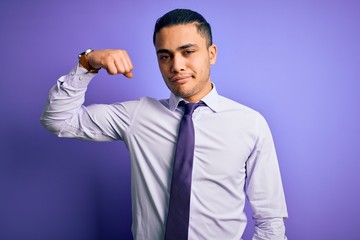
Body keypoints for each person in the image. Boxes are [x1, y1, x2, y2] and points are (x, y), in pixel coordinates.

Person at [41, 8, 288, 240]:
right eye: (165, 56)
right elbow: (59, 120)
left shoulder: (250, 123)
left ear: (211, 53)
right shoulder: (137, 115)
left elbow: (270, 219)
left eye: (188, 52)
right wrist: (87, 63)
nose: (176, 66)